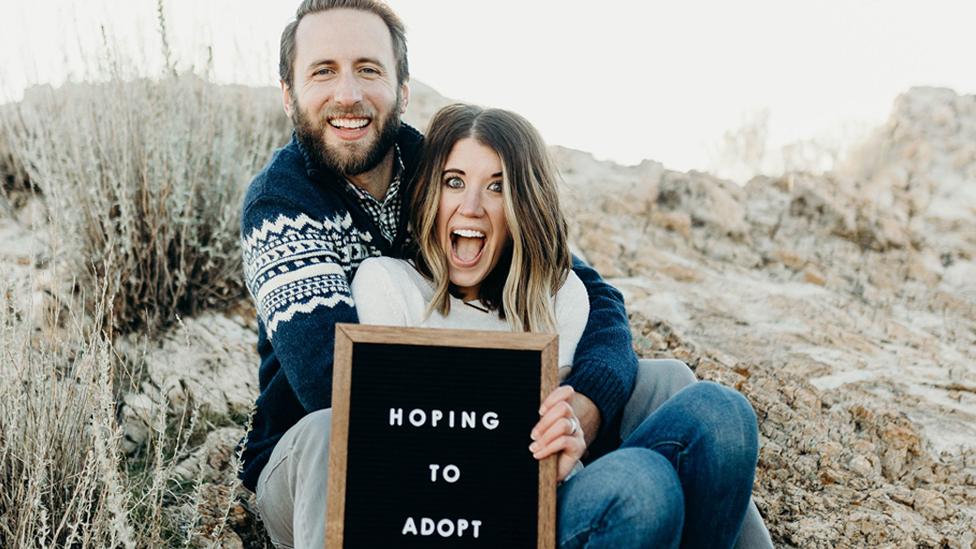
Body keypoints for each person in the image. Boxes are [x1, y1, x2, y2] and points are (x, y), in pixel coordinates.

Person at [239, 1, 773, 547]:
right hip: (323, 454)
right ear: (289, 93)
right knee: (338, 427)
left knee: (685, 391)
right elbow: (331, 381)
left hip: (501, 427)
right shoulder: (281, 203)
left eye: (369, 69)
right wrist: (525, 422)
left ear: (402, 89)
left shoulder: (439, 162)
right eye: (323, 70)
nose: (348, 94)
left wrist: (585, 402)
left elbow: (583, 288)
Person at [352, 103, 760, 548]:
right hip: (458, 516)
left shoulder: (558, 294)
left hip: (554, 502)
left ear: (523, 206)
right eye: (454, 182)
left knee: (722, 413)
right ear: (429, 192)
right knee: (639, 486)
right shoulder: (388, 285)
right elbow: (398, 450)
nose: (471, 207)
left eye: (497, 187)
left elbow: (562, 440)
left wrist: (564, 433)